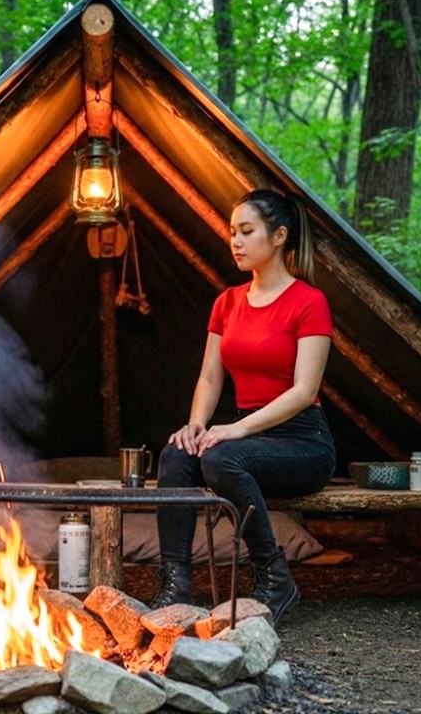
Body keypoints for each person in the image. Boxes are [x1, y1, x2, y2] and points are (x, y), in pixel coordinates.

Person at [151, 188, 336, 624]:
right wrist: (197, 424)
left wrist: (236, 429)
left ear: (279, 237)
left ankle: (275, 578)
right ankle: (177, 586)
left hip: (302, 440)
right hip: (247, 438)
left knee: (221, 457)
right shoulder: (227, 302)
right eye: (232, 231)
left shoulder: (309, 303)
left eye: (246, 231)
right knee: (177, 456)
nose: (235, 241)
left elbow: (302, 389)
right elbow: (210, 377)